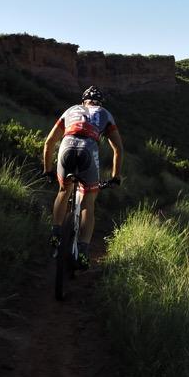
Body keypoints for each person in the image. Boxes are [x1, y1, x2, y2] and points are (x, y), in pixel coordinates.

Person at [42, 86, 124, 269]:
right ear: (99, 103)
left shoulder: (71, 110)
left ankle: (55, 232)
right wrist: (115, 177)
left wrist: (47, 170)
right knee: (88, 200)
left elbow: (49, 143)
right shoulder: (104, 113)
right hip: (88, 149)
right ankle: (84, 251)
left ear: (83, 101)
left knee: (63, 190)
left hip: (66, 146)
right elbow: (118, 148)